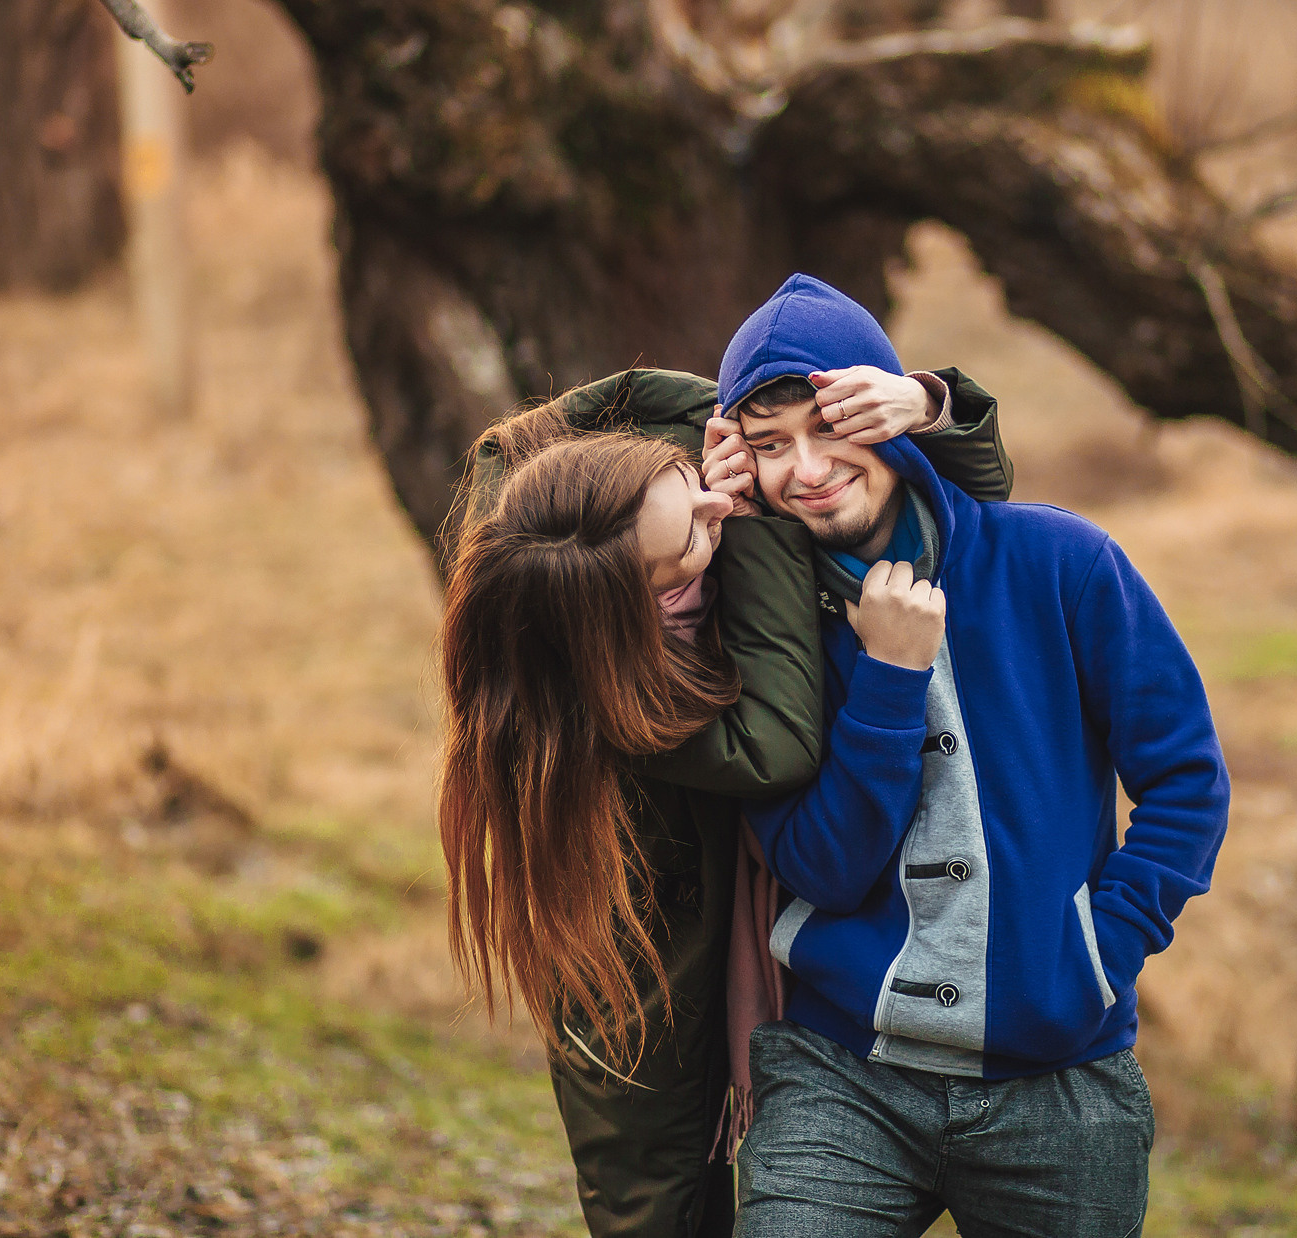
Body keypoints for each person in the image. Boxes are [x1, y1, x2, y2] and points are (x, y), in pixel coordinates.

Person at [698, 274, 1231, 1236]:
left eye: (829, 427)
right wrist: (891, 682)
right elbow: (821, 864)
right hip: (839, 1073)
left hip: (1061, 1081)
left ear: (885, 412)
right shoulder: (766, 632)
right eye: (770, 447)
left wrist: (1097, 954)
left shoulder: (1062, 562)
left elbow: (1187, 777)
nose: (808, 470)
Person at [438, 362, 1014, 1238]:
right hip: (643, 966)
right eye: (692, 546)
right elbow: (775, 748)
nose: (717, 506)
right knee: (660, 1205)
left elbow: (974, 498)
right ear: (629, 604)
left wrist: (926, 404)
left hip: (799, 930)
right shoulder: (604, 683)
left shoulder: (600, 489)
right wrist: (753, 529)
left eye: (693, 492)